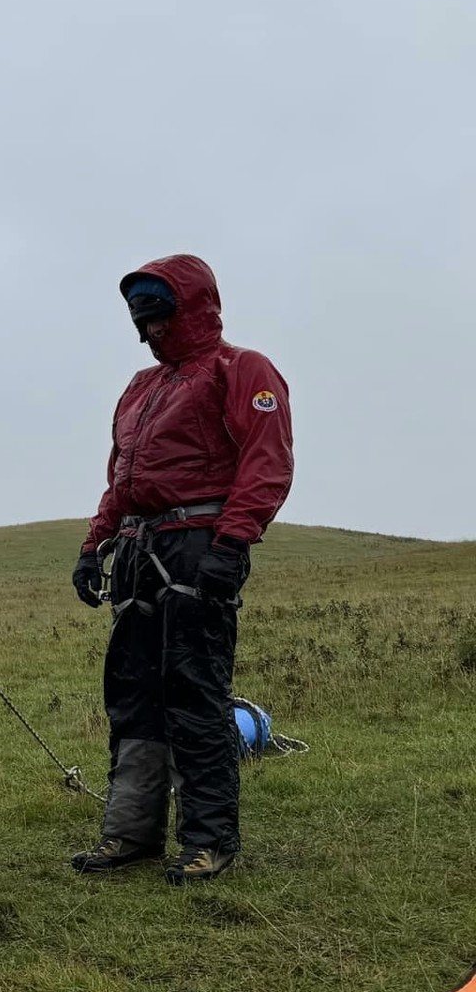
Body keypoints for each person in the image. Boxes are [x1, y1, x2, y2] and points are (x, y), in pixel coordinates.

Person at [70, 254, 292, 884]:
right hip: (140, 552)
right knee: (134, 696)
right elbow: (123, 478)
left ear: (190, 309)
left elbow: (267, 462)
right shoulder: (142, 388)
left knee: (194, 691)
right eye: (140, 322)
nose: (147, 333)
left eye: (157, 319)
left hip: (197, 545)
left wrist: (231, 545)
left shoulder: (242, 370)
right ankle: (130, 834)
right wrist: (94, 546)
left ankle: (208, 839)